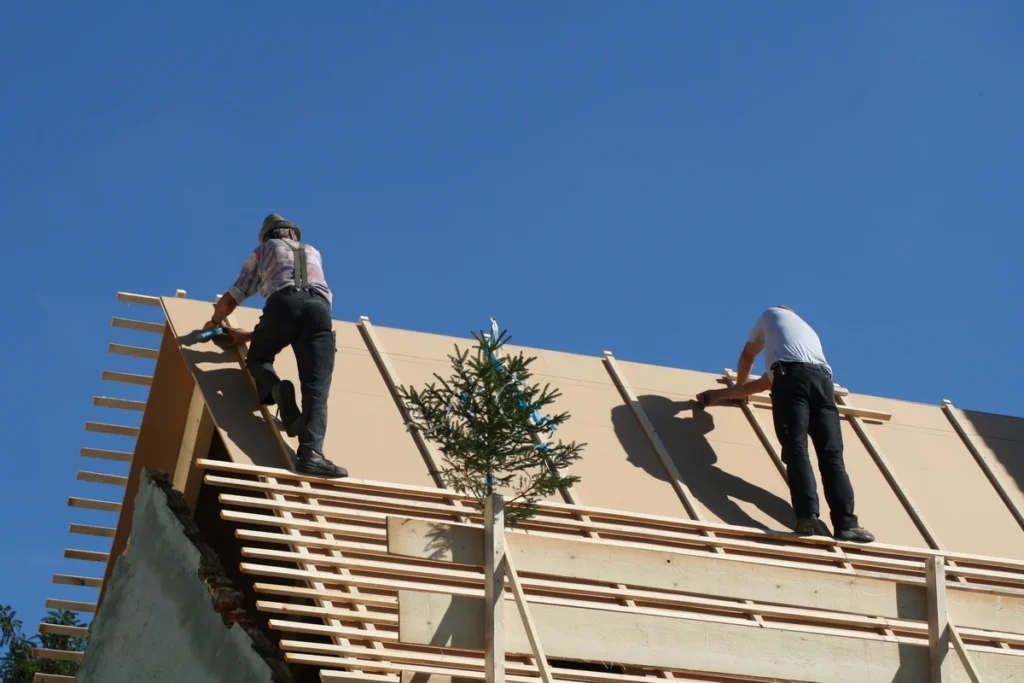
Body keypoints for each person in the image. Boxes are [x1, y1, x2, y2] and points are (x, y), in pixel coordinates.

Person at [695, 306, 874, 543]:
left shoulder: (769, 314)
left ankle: (807, 516)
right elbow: (763, 383)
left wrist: (735, 390)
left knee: (797, 448)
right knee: (832, 456)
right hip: (823, 383)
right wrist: (722, 393)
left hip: (791, 381)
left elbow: (748, 356)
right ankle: (847, 525)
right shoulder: (802, 338)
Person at [202, 213, 347, 479]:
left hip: (283, 305)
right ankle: (312, 455)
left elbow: (236, 295)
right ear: (292, 234)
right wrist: (248, 334)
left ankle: (275, 388)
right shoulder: (312, 251)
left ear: (269, 236)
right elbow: (303, 301)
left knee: (259, 359)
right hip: (320, 313)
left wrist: (214, 321)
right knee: (316, 389)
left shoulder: (263, 251)